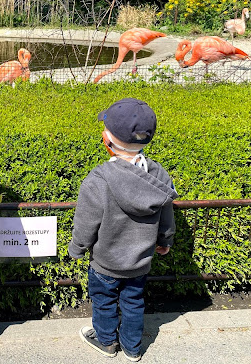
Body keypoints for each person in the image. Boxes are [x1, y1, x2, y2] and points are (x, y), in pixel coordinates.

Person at [68, 98, 177, 362]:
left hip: (105, 263)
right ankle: (132, 348)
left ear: (107, 139)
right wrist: (165, 240)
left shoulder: (99, 179)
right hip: (140, 262)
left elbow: (86, 222)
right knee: (134, 302)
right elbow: (166, 213)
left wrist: (77, 248)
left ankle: (106, 341)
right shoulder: (159, 176)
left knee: (104, 301)